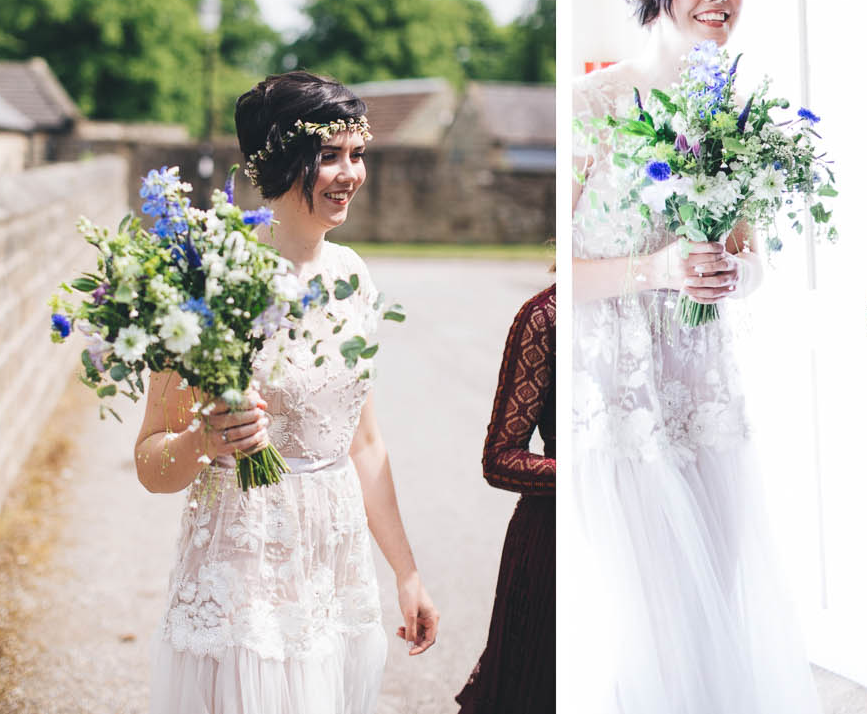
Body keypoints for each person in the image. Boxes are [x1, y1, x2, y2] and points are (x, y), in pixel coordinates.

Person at [569, 0, 818, 714]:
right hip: (617, 394)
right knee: (644, 614)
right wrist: (658, 268)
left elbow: (750, 258)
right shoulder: (592, 102)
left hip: (703, 389)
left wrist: (727, 272)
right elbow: (550, 273)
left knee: (715, 594)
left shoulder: (738, 114)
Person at [139, 71, 439, 713]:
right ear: (278, 162)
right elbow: (150, 462)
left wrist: (405, 573)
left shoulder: (353, 276)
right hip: (245, 565)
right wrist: (202, 438)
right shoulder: (207, 283)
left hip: (334, 562)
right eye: (328, 156)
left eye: (357, 155)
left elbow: (364, 441)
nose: (349, 174)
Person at [456, 282, 555, 713]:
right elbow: (499, 457)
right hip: (553, 544)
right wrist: (587, 476)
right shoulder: (543, 317)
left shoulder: (666, 306)